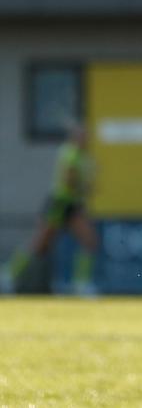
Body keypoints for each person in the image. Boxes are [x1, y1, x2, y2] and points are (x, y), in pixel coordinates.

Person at [6, 124, 98, 295]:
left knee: (89, 242)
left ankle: (81, 284)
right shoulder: (70, 153)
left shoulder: (85, 156)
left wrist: (87, 187)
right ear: (75, 137)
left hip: (73, 205)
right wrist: (85, 187)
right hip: (60, 203)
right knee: (39, 244)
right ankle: (8, 275)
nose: (85, 139)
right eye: (82, 136)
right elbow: (69, 180)